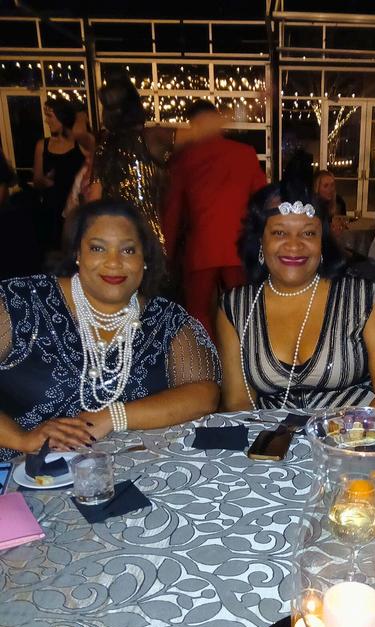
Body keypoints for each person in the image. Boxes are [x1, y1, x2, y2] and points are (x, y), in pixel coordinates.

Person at [0, 199, 220, 460]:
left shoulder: (167, 319)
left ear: (144, 258)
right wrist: (22, 439)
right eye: (97, 248)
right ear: (77, 253)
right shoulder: (20, 302)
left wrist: (114, 416)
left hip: (135, 470)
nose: (114, 262)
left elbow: (204, 394)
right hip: (21, 470)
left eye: (128, 250)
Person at [216, 178, 375, 412]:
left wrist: (341, 432)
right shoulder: (235, 308)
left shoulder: (365, 298)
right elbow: (238, 402)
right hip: (271, 433)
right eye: (279, 233)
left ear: (322, 243)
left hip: (362, 431)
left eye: (308, 233)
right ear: (260, 240)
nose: (294, 245)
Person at [162, 99, 266, 338]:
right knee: (242, 310)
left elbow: (173, 211)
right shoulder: (244, 153)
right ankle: (244, 353)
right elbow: (261, 200)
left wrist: (166, 253)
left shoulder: (184, 158)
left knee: (198, 313)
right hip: (238, 247)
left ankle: (205, 356)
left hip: (201, 248)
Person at [89, 74, 199, 249]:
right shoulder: (153, 138)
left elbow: (94, 198)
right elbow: (200, 132)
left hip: (117, 240)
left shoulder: (105, 147)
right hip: (149, 240)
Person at [33, 97, 88, 254]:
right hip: (51, 210)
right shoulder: (42, 145)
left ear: (62, 117)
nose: (46, 121)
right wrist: (46, 181)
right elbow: (37, 180)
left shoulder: (80, 144)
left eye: (50, 116)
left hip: (76, 209)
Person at [313, 169, 347, 237]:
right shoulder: (312, 205)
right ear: (317, 188)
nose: (330, 189)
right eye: (326, 186)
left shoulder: (339, 201)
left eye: (332, 185)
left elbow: (343, 222)